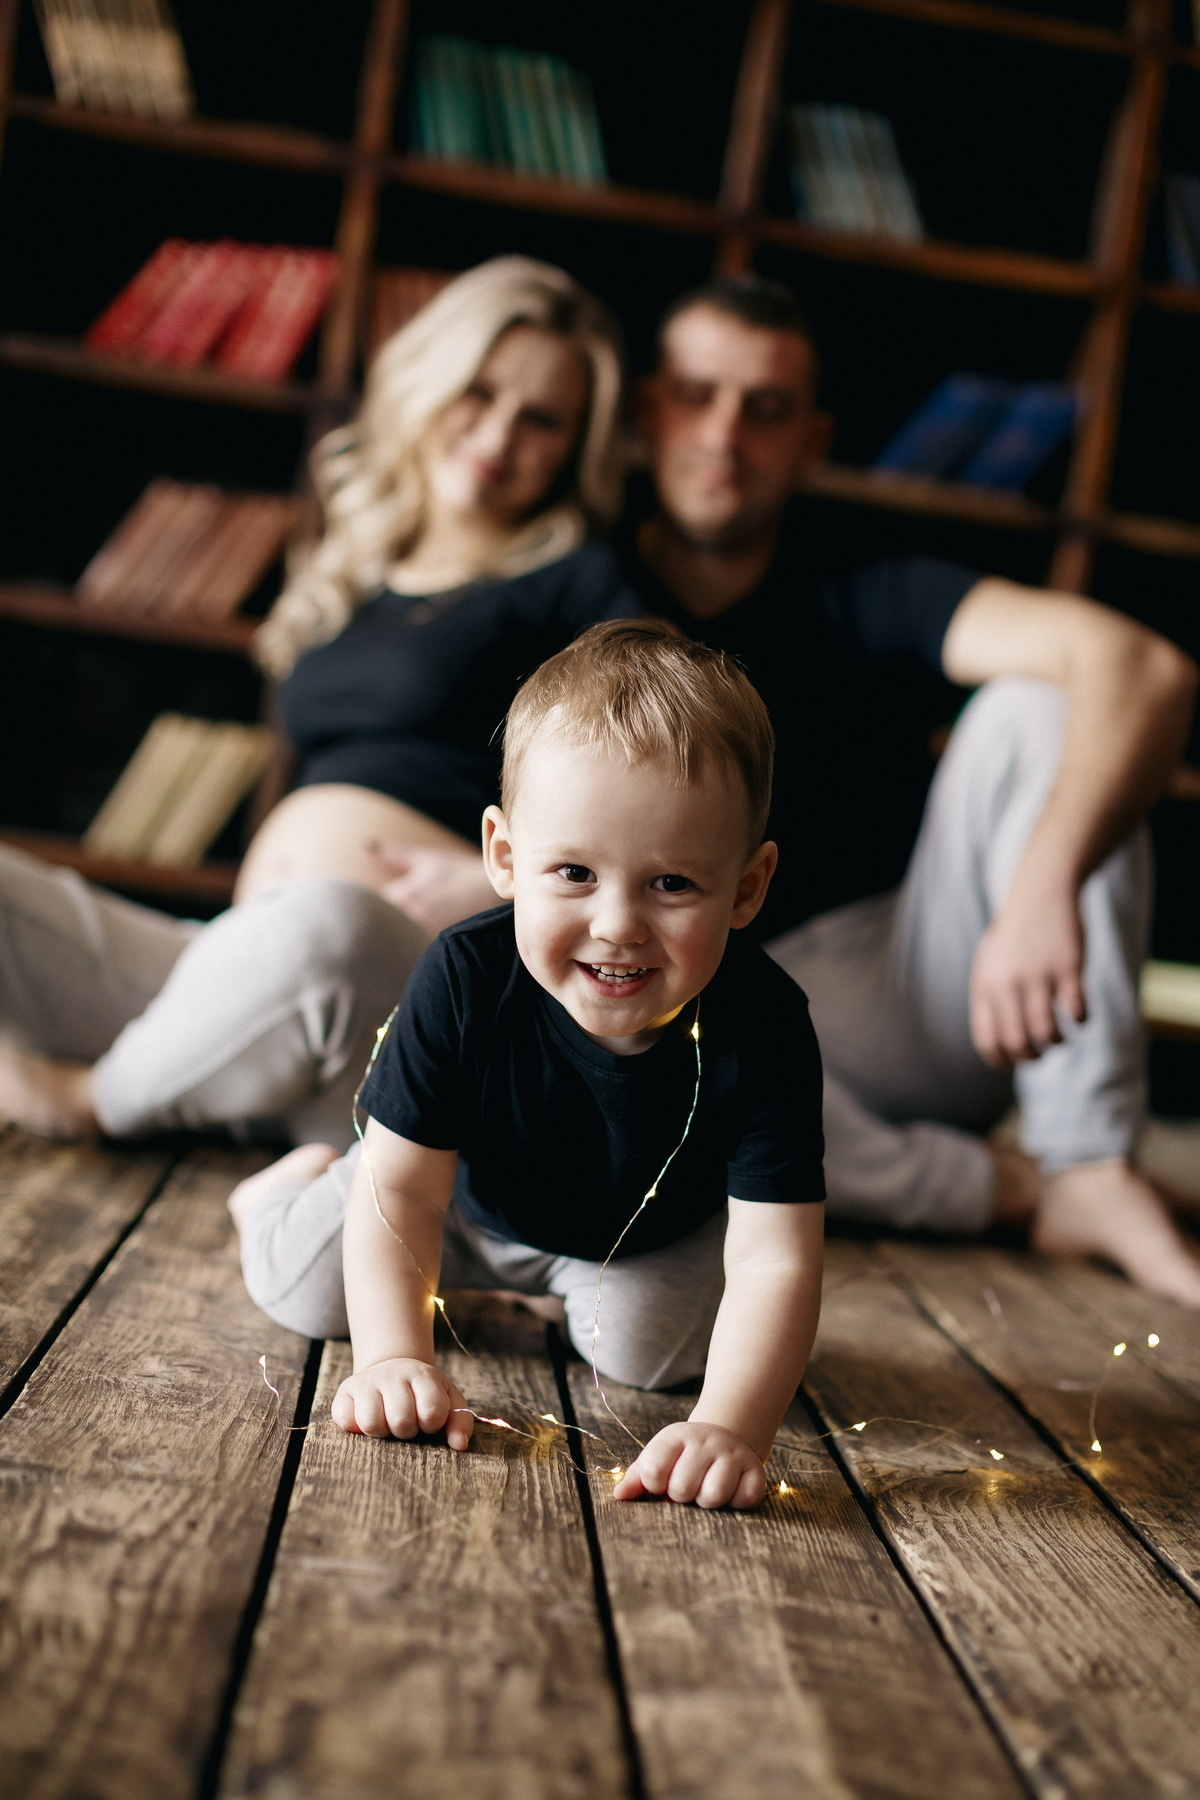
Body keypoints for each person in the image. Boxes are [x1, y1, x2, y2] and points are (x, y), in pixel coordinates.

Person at [627, 273, 1200, 1305]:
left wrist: (1042, 885)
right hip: (673, 996)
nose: (725, 434)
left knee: (1044, 702)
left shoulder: (866, 584)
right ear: (646, 410)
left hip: (896, 985)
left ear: (813, 440)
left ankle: (1085, 1156)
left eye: (767, 409)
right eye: (698, 394)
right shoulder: (579, 582)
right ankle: (1005, 1189)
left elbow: (1143, 668)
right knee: (642, 1073)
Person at [0, 257, 638, 1151]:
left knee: (324, 924)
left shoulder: (577, 586)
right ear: (428, 382)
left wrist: (508, 889)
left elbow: (654, 792)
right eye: (479, 392)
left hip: (398, 983)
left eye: (542, 420)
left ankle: (94, 1098)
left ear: (576, 447)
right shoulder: (359, 563)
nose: (498, 435)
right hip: (241, 957)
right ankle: (218, 1080)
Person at [231, 622, 825, 1511]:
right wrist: (395, 1360)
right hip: (455, 1202)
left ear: (747, 885)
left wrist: (731, 1428)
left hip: (628, 1239)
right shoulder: (465, 976)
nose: (618, 923)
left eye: (671, 884)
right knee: (313, 1288)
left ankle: (550, 1304)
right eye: (575, 872)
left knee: (652, 1355)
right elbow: (403, 1194)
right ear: (505, 858)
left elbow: (777, 1258)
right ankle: (273, 1195)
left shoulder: (766, 1024)